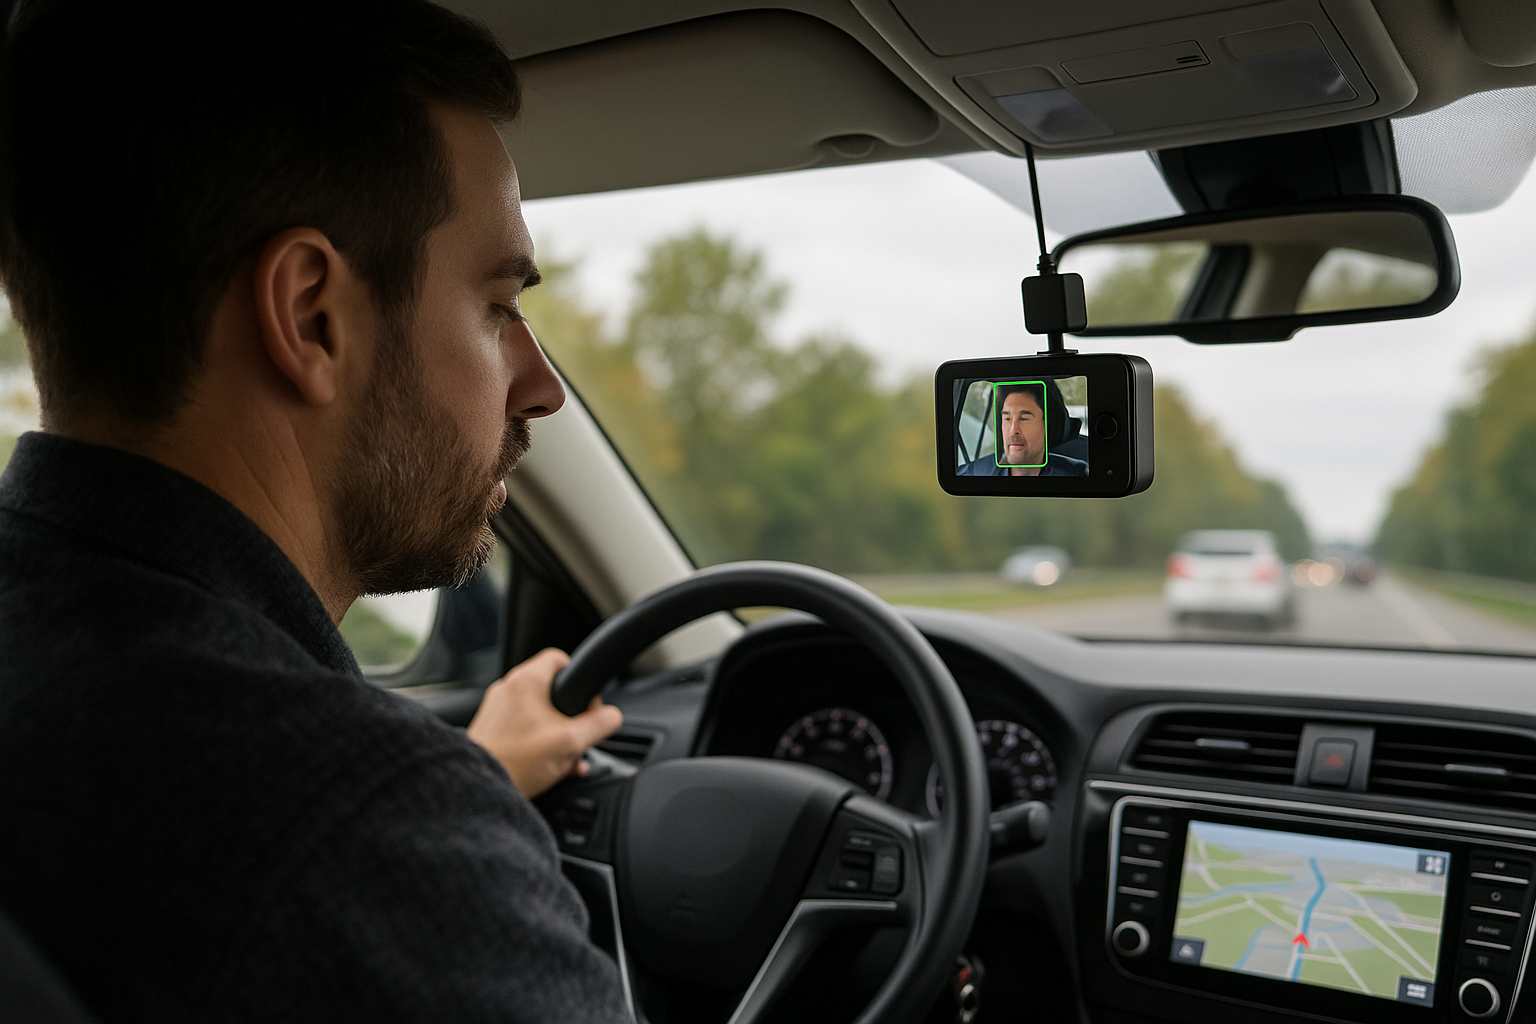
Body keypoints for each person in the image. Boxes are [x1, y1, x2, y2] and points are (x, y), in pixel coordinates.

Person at [0, 1, 632, 1021]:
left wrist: (465, 781)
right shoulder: (362, 831)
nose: (542, 384)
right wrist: (425, 814)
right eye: (499, 304)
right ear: (310, 316)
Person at [958, 381, 1088, 477]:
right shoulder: (974, 474)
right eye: (1007, 419)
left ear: (1048, 427)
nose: (1013, 430)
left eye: (1024, 418)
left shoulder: (1076, 475)